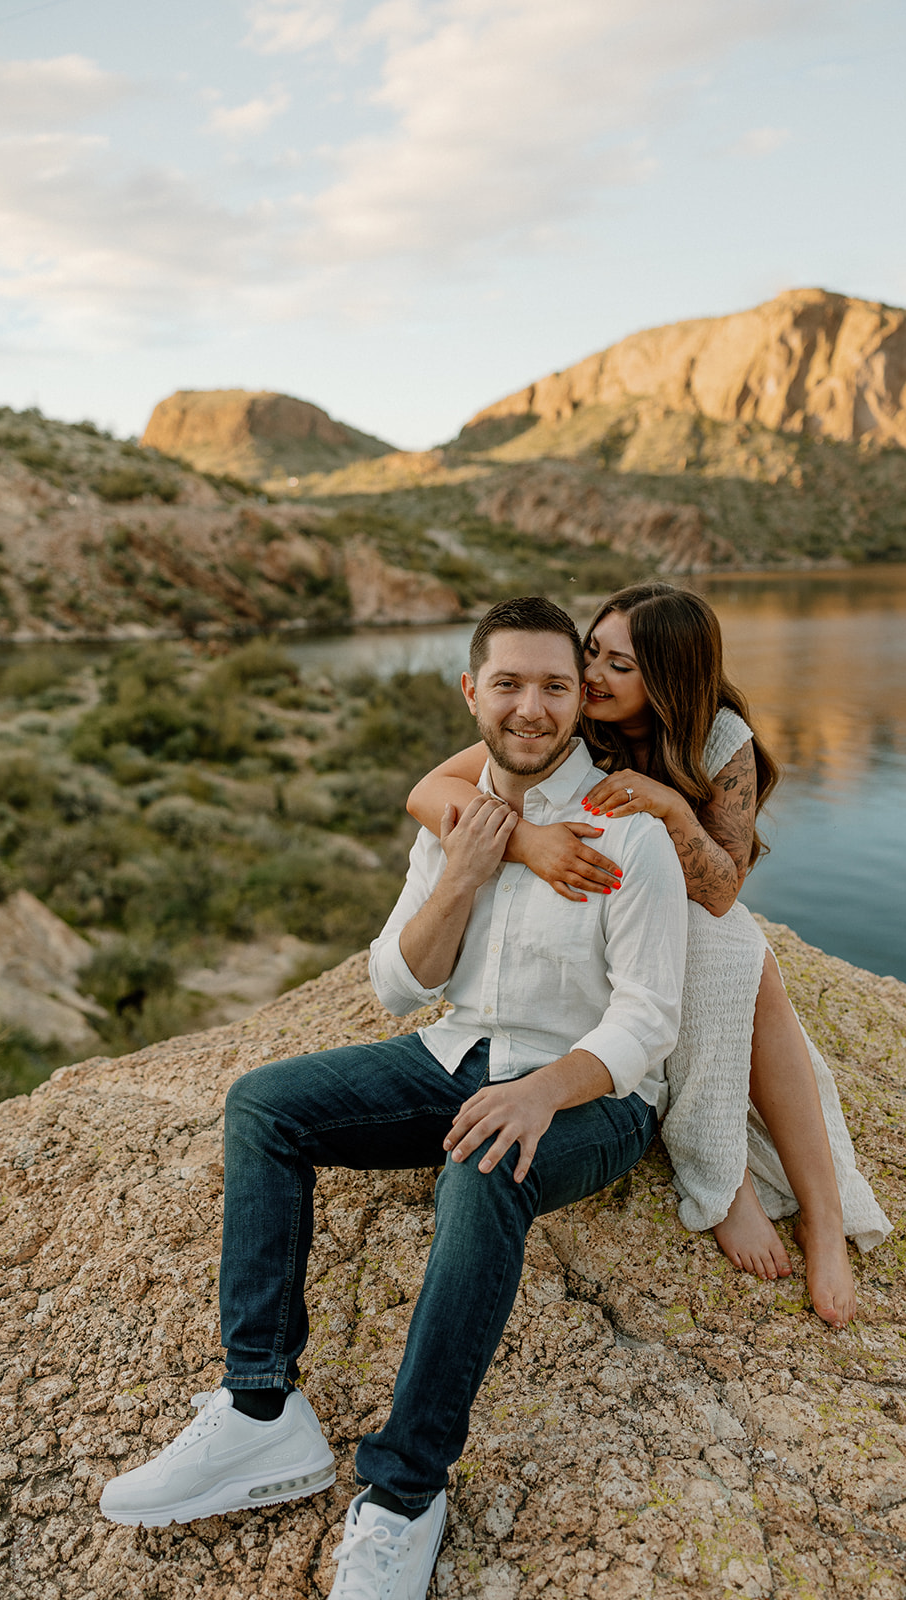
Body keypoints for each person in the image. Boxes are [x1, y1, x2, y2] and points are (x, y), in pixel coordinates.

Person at [99, 596, 688, 1600]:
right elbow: (397, 985)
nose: (531, 708)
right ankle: (259, 1413)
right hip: (452, 1054)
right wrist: (463, 869)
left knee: (483, 1167)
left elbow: (646, 1021)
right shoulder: (459, 820)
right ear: (471, 692)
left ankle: (403, 1493)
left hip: (596, 1091)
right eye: (507, 684)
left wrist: (542, 1092)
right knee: (261, 1105)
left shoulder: (626, 832)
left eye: (554, 686)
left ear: (578, 699)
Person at [408, 583, 891, 1331]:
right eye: (593, 650)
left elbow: (722, 891)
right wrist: (528, 841)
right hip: (606, 912)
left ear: (668, 679)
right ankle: (723, 1183)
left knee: (738, 960)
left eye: (619, 665)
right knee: (731, 963)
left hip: (695, 915)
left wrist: (669, 806)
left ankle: (822, 1217)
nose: (592, 673)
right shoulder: (571, 721)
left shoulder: (718, 740)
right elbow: (427, 790)